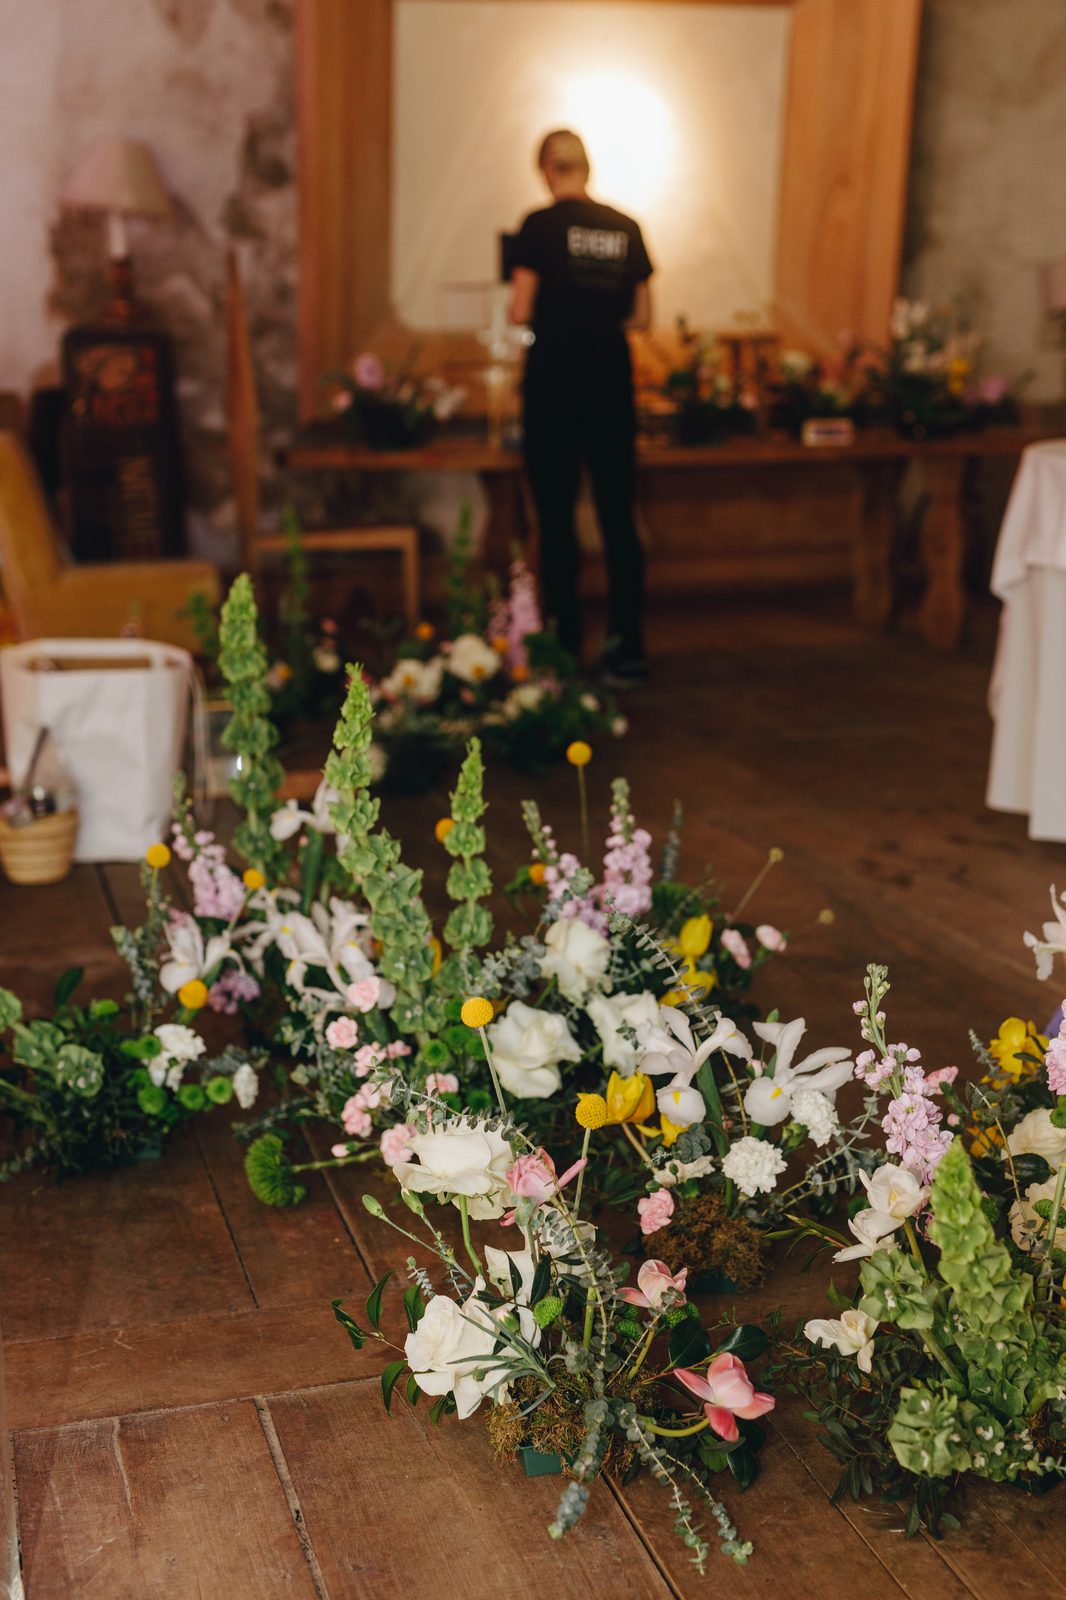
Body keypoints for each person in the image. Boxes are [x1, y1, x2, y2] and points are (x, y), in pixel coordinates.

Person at [509, 129, 652, 684]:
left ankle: (565, 646)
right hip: (611, 376)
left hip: (555, 379)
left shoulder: (539, 226)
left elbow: (522, 308)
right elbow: (641, 317)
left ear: (546, 169)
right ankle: (628, 648)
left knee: (556, 515)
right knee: (619, 515)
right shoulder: (626, 227)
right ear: (586, 168)